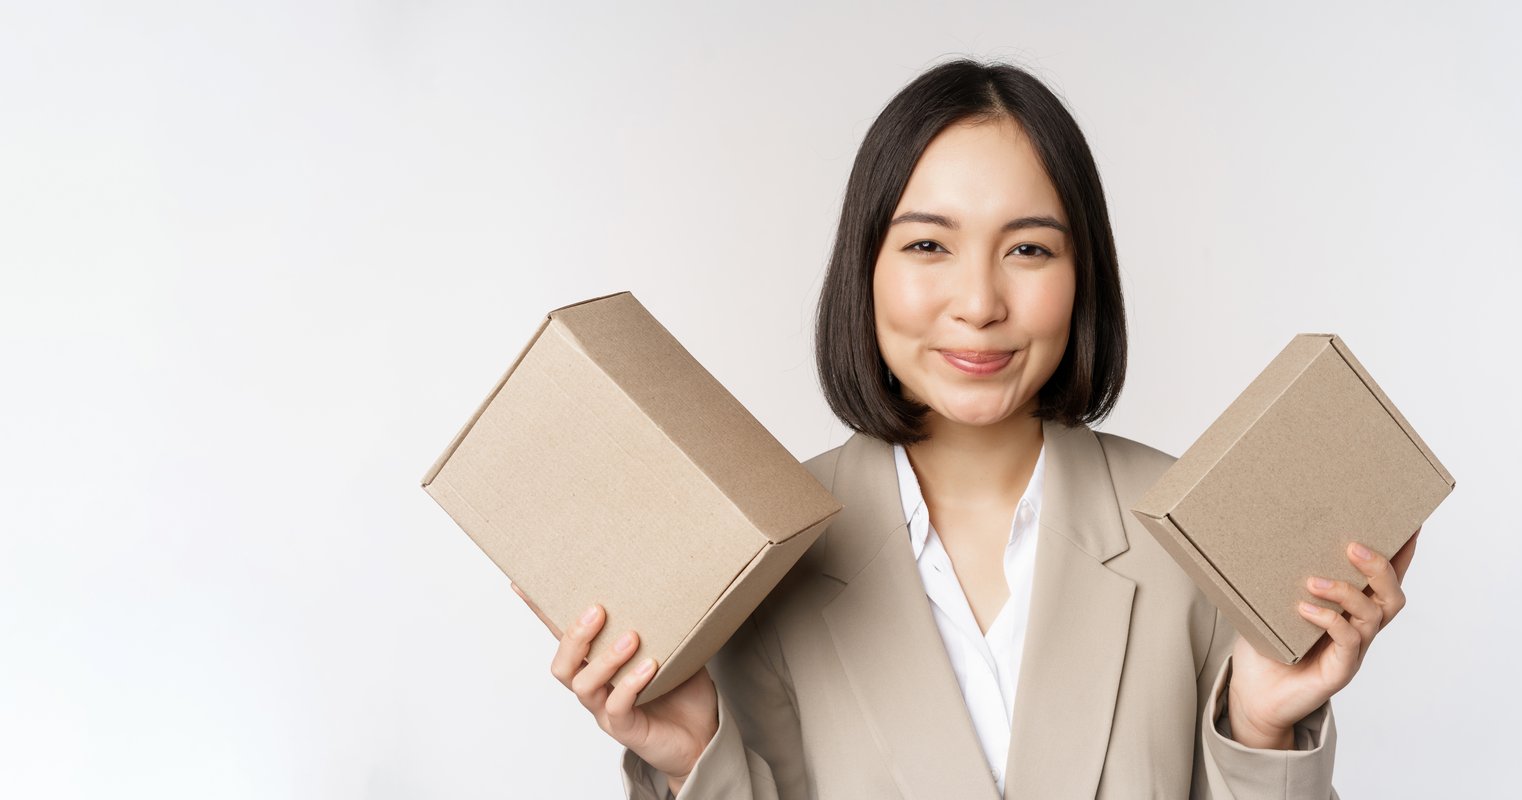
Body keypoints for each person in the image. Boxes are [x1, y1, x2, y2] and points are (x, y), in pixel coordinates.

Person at [529, 58, 1419, 799]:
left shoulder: (1195, 535)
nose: (981, 303)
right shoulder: (755, 561)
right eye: (927, 246)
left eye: (1029, 248)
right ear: (864, 271)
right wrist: (694, 760)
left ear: (1084, 276)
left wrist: (1261, 731)